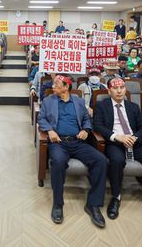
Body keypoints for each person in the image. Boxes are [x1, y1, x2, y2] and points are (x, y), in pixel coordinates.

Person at [93, 78, 142, 220]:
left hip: (134, 142)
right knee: (117, 161)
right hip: (115, 143)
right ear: (109, 90)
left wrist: (135, 137)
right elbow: (98, 125)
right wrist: (117, 136)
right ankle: (116, 197)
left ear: (125, 89)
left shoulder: (133, 107)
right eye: (115, 88)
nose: (119, 91)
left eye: (122, 87)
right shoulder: (101, 105)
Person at [38, 74, 108, 227]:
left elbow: (86, 120)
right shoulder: (48, 101)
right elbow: (41, 118)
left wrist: (86, 129)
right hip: (59, 142)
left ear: (66, 86)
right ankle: (58, 203)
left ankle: (93, 204)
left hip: (77, 141)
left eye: (57, 83)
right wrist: (49, 130)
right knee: (57, 161)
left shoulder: (78, 101)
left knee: (101, 160)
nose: (53, 86)